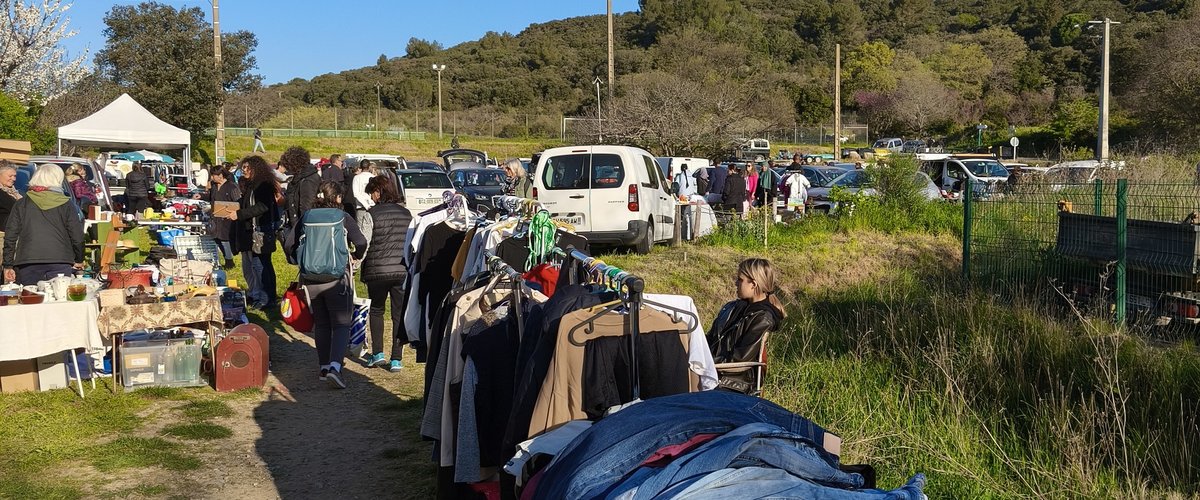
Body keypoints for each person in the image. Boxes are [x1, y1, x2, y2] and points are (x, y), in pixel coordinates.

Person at [283, 181, 368, 388]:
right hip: (337, 277)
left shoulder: (307, 216)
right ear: (337, 198)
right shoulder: (343, 217)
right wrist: (355, 256)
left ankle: (323, 367)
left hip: (310, 277)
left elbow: (288, 243)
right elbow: (361, 242)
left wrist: (297, 259)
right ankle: (335, 367)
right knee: (341, 324)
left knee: (321, 323)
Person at [707, 258, 786, 394]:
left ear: (753, 284)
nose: (735, 283)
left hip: (732, 382)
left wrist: (704, 362)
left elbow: (740, 359)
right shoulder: (731, 307)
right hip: (712, 371)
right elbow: (711, 339)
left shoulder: (762, 318)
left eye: (740, 280)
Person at [360, 176, 412, 372]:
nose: (372, 198)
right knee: (398, 313)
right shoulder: (406, 214)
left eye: (372, 193)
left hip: (377, 270)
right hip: (400, 270)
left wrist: (356, 262)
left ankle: (377, 354)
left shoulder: (371, 214)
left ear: (379, 192)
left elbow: (364, 242)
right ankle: (397, 359)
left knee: (377, 310)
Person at [2, 165, 84, 285]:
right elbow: (77, 235)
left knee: (31, 300)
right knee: (58, 299)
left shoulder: (21, 203)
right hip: (60, 260)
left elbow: (10, 236)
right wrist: (79, 259)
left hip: (27, 261)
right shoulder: (66, 203)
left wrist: (8, 264)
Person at [226, 156, 280, 308]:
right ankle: (263, 296)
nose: (243, 171)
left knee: (261, 266)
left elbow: (262, 207)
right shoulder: (251, 185)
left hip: (261, 231)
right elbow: (246, 204)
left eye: (246, 168)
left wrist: (240, 214)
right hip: (252, 231)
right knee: (259, 266)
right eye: (242, 168)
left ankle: (266, 299)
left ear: (255, 168)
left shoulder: (263, 185)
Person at [207, 165, 240, 268]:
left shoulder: (232, 186)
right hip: (215, 217)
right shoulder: (214, 186)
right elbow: (210, 198)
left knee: (225, 240)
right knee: (216, 238)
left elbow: (238, 202)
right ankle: (222, 259)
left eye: (213, 175)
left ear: (220, 175)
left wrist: (232, 213)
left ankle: (229, 262)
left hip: (227, 218)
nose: (212, 177)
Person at [281, 146, 320, 232]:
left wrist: (300, 229)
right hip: (297, 223)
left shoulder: (308, 180)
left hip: (304, 226)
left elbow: (306, 207)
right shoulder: (300, 178)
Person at [0, 161, 22, 269]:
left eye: (15, 176)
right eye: (10, 175)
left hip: (11, 238)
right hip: (2, 239)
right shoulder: (2, 194)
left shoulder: (12, 192)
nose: (13, 179)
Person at [351, 159, 375, 231]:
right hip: (371, 206)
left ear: (360, 167)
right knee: (371, 228)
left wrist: (365, 205)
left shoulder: (356, 178)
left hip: (361, 206)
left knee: (361, 229)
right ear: (369, 167)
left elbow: (356, 194)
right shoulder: (373, 177)